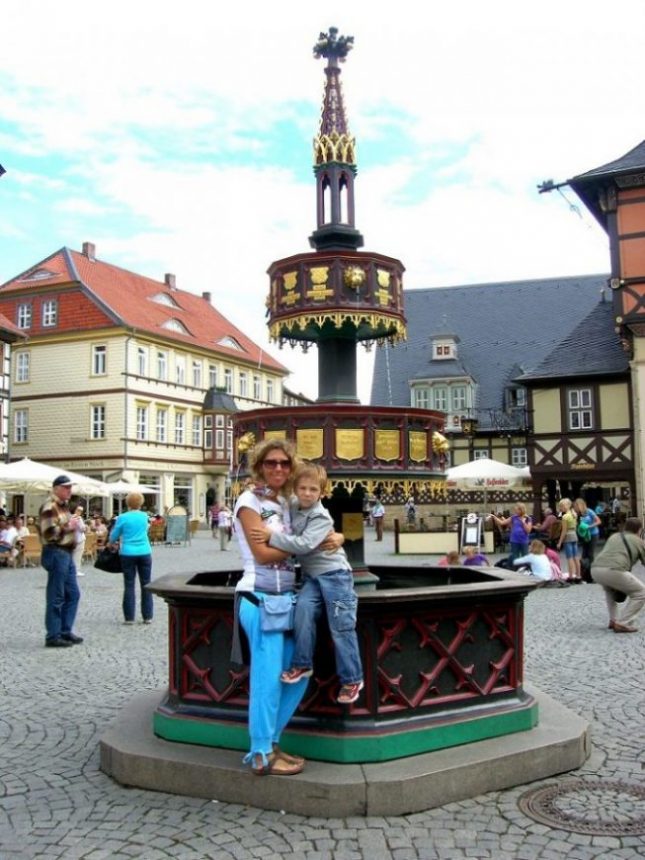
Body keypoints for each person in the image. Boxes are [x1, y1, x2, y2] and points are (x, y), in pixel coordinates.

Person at [251, 462, 363, 706]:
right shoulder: (294, 505)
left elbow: (303, 545)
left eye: (313, 489)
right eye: (302, 488)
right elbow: (276, 513)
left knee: (341, 627)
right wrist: (260, 502)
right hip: (312, 577)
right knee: (302, 612)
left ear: (322, 492)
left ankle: (352, 679)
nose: (307, 493)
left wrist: (271, 536)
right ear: (296, 488)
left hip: (336, 575)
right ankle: (302, 665)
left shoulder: (321, 516)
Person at [232, 439, 308, 776]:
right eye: (270, 463)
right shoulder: (248, 502)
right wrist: (305, 547)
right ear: (259, 465)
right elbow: (261, 554)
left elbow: (307, 536)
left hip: (287, 598)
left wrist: (303, 543)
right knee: (267, 679)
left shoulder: (287, 504)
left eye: (284, 464)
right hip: (258, 596)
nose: (278, 468)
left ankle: (272, 741)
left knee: (298, 673)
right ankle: (260, 752)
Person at [38, 475, 83, 648]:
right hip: (56, 552)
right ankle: (53, 635)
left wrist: (75, 527)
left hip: (66, 553)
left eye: (70, 487)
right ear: (56, 488)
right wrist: (69, 527)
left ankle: (64, 630)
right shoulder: (50, 506)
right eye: (66, 487)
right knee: (56, 595)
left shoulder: (63, 507)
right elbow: (49, 533)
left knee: (73, 594)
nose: (69, 490)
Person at [591, 517, 645, 633]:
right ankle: (623, 622)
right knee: (641, 592)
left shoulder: (614, 536)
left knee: (610, 591)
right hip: (614, 570)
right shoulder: (639, 541)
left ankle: (613, 620)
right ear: (639, 530)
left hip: (595, 569)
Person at [109, 492, 153, 625]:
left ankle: (129, 617)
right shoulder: (145, 516)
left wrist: (112, 542)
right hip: (144, 551)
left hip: (127, 552)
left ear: (127, 503)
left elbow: (114, 535)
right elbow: (146, 530)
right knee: (146, 584)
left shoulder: (122, 517)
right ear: (141, 503)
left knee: (129, 584)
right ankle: (147, 616)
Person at [557, 498, 581, 583]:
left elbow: (564, 531)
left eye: (562, 506)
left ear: (567, 506)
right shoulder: (574, 514)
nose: (561, 508)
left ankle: (571, 577)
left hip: (568, 537)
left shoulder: (565, 517)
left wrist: (559, 542)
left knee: (569, 558)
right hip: (574, 535)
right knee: (576, 557)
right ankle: (578, 576)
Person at [573, 498, 602, 566]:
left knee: (590, 553)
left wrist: (589, 526)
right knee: (584, 553)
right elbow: (579, 524)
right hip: (585, 535)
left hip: (593, 534)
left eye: (575, 506)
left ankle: (591, 570)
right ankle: (584, 570)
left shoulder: (589, 511)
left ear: (580, 505)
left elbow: (599, 521)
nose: (575, 508)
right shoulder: (579, 514)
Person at [71, 506, 88, 577]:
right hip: (79, 539)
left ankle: (70, 570)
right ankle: (76, 570)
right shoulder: (78, 518)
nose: (80, 512)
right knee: (77, 556)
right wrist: (86, 527)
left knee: (72, 555)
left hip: (72, 539)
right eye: (79, 510)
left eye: (81, 511)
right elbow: (82, 529)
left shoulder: (68, 517)